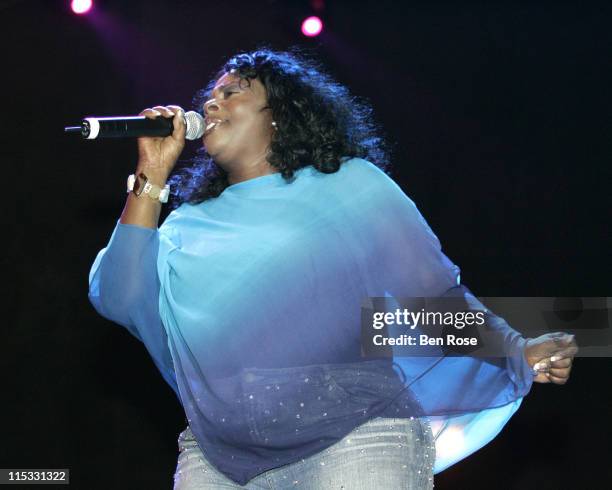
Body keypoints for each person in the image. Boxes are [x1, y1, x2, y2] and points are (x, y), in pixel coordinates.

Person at [88, 49, 578, 489]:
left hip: (357, 438)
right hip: (220, 461)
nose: (211, 104)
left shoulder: (349, 186)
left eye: (232, 92)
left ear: (279, 114)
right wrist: (151, 175)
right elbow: (117, 296)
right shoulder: (186, 225)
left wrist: (514, 346)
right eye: (209, 96)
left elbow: (431, 296)